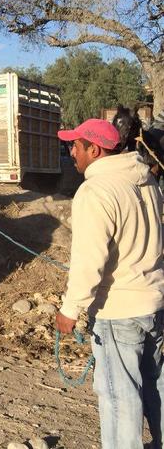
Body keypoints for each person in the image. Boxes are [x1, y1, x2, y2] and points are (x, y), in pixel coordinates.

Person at [55, 118, 164, 449]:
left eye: (75, 144)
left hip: (119, 312)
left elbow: (89, 262)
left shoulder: (95, 191)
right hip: (155, 305)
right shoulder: (148, 183)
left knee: (120, 400)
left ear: (94, 148)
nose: (70, 150)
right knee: (157, 387)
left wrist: (70, 309)